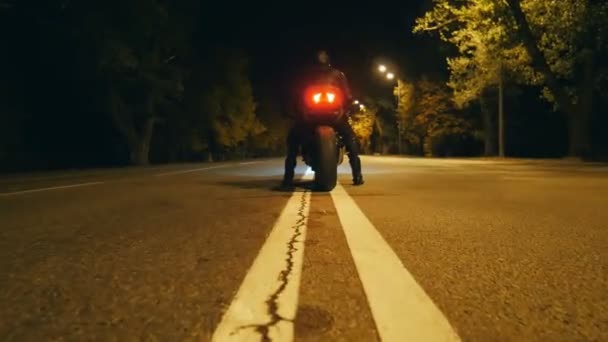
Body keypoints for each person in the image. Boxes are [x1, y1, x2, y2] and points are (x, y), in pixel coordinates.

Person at [281, 50, 364, 188]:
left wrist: (293, 110)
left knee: (293, 141)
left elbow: (296, 95)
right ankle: (357, 175)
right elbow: (348, 96)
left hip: (310, 115)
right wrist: (348, 106)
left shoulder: (305, 75)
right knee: (350, 139)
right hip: (334, 115)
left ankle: (288, 177)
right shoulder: (338, 74)